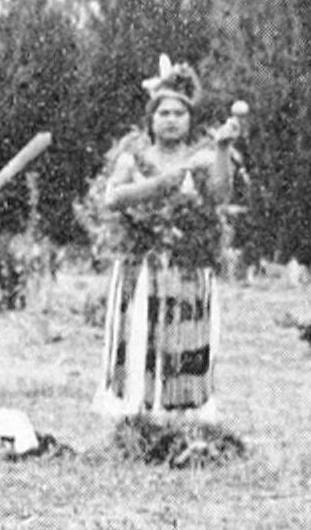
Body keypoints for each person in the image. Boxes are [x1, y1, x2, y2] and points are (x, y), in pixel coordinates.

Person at [90, 58, 241, 419]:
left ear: (190, 119)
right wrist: (161, 183)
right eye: (164, 113)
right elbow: (112, 197)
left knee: (183, 339)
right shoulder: (132, 157)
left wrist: (222, 149)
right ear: (151, 120)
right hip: (141, 265)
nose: (171, 119)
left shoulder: (203, 157)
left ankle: (182, 412)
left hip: (188, 264)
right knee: (141, 335)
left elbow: (220, 195)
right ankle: (135, 412)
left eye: (179, 113)